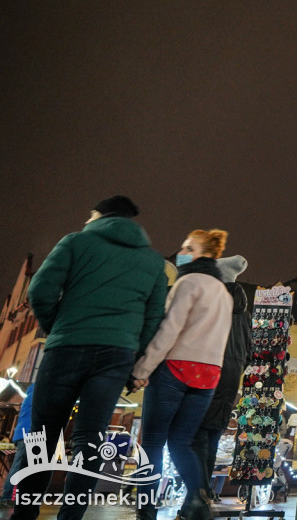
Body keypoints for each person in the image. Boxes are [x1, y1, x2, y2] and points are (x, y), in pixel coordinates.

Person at [14, 196, 167, 520]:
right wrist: (132, 351)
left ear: (98, 215)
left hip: (66, 346)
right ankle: (71, 516)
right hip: (116, 356)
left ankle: (24, 514)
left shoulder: (76, 242)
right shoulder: (153, 263)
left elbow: (40, 290)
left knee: (42, 435)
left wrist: (57, 327)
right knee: (91, 439)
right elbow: (154, 317)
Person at [130, 230, 233, 520]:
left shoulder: (187, 283)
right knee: (181, 441)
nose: (182, 250)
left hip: (175, 368)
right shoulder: (224, 293)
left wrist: (142, 369)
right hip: (208, 375)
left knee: (151, 442)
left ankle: (146, 512)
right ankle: (200, 497)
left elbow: (169, 330)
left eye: (189, 247)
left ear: (205, 254)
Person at [190, 254, 252, 504]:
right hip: (230, 380)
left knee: (195, 437)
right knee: (212, 437)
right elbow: (248, 353)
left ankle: (197, 494)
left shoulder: (212, 305)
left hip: (207, 374)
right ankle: (201, 494)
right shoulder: (244, 315)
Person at [1, 384, 34, 504]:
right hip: (29, 434)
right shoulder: (39, 394)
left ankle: (13, 496)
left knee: (20, 466)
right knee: (19, 467)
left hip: (21, 434)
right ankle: (7, 496)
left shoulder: (29, 395)